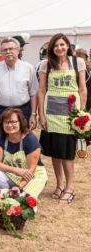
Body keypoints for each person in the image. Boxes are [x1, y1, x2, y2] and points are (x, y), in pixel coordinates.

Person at [38, 33, 87, 203]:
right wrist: (41, 115)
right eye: (56, 45)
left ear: (68, 46)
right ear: (51, 48)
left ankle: (70, 187)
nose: (59, 48)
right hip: (51, 113)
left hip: (70, 114)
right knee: (55, 152)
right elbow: (42, 91)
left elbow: (82, 89)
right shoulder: (46, 64)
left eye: (62, 45)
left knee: (67, 153)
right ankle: (59, 185)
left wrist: (81, 114)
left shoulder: (77, 62)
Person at [0, 37, 38, 169]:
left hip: (22, 110)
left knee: (24, 138)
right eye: (5, 50)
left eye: (11, 49)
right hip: (0, 110)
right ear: (1, 52)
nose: (8, 52)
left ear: (18, 50)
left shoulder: (28, 68)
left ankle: (27, 169)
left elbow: (33, 92)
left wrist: (33, 113)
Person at [0, 108, 48, 198]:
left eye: (13, 122)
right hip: (12, 174)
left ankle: (16, 193)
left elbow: (31, 171)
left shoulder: (30, 139)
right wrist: (17, 170)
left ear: (20, 123)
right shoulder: (0, 139)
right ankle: (7, 195)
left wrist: (19, 187)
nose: (9, 125)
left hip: (33, 176)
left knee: (24, 201)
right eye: (6, 122)